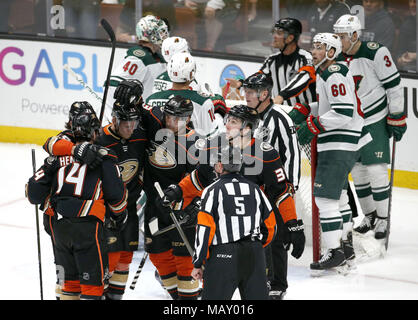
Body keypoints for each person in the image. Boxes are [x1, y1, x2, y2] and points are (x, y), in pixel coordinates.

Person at [159, 104, 305, 300]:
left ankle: (276, 284)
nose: (227, 125)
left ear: (247, 128)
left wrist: (292, 224)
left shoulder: (265, 153)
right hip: (221, 241)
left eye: (233, 122)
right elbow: (200, 178)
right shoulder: (215, 145)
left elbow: (281, 193)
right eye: (227, 120)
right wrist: (178, 190)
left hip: (250, 237)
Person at [26, 108, 128, 300]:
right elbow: (117, 197)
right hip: (87, 227)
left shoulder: (56, 157)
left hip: (59, 227)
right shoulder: (105, 156)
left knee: (69, 283)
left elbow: (33, 193)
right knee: (92, 286)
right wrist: (119, 216)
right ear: (95, 132)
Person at [288, 32, 365, 272]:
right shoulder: (328, 74)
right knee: (339, 197)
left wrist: (311, 125)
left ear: (332, 52)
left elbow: (343, 112)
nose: (314, 51)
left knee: (324, 198)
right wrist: (306, 109)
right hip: (342, 142)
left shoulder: (333, 74)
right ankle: (345, 247)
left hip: (338, 143)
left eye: (320, 48)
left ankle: (334, 252)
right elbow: (330, 106)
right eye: (314, 47)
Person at [333, 14, 407, 241]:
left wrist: (397, 117)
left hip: (375, 120)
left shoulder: (376, 52)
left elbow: (394, 86)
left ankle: (384, 218)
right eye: (336, 35)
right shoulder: (336, 57)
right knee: (358, 172)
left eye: (342, 36)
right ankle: (370, 216)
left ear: (355, 35)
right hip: (352, 123)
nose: (339, 40)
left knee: (376, 170)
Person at [191, 144, 277, 300]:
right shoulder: (255, 189)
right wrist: (256, 246)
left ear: (219, 165)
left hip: (223, 256)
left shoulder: (212, 190)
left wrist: (198, 262)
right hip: (254, 255)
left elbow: (204, 229)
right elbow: (271, 226)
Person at [141, 95, 202, 300]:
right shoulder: (155, 129)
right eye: (169, 117)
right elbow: (141, 109)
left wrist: (196, 205)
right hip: (154, 207)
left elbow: (204, 179)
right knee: (158, 256)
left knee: (185, 264)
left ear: (189, 118)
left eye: (178, 119)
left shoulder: (196, 143)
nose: (172, 123)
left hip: (181, 210)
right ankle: (179, 297)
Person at [95, 88, 147, 300]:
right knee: (110, 258)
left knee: (126, 256)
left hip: (131, 207)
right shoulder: (101, 141)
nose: (130, 128)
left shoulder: (140, 136)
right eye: (126, 124)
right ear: (114, 120)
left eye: (134, 123)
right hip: (108, 212)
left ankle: (115, 297)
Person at [226, 18, 316, 107]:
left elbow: (304, 78)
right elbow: (259, 77)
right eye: (274, 32)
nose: (274, 36)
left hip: (306, 116)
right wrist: (242, 83)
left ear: (290, 38)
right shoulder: (272, 60)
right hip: (281, 111)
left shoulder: (306, 58)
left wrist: (281, 96)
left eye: (279, 33)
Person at [105, 15, 169, 123]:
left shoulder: (158, 57)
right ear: (150, 34)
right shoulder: (138, 57)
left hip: (150, 116)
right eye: (161, 32)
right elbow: (113, 84)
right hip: (134, 121)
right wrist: (116, 114)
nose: (165, 36)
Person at [146, 51, 222, 137]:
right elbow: (210, 135)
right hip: (187, 148)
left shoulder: (151, 99)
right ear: (191, 73)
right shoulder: (203, 101)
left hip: (156, 147)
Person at [152, 36, 229, 117]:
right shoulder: (186, 78)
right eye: (185, 51)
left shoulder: (159, 78)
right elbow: (194, 106)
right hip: (181, 125)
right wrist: (210, 99)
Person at [396, 0, 416, 72]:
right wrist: (400, 60)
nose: (412, 5)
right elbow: (400, 51)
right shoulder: (407, 24)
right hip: (409, 70)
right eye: (411, 1)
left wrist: (415, 56)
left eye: (416, 1)